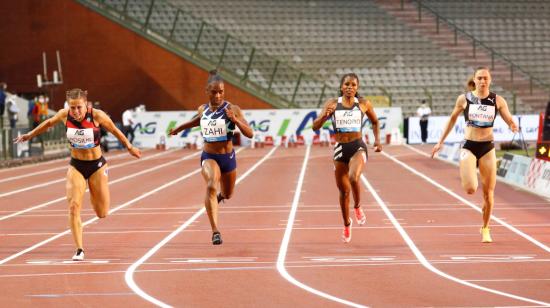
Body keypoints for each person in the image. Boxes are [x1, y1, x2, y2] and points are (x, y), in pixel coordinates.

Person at [14, 88, 141, 260]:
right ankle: (79, 249)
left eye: (79, 107)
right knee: (74, 206)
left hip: (96, 166)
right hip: (76, 166)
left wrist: (129, 147)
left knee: (102, 213)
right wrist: (30, 135)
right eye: (72, 108)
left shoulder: (97, 115)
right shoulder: (64, 115)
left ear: (86, 104)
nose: (76, 112)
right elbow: (48, 123)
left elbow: (115, 131)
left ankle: (93, 192)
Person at [431, 67, 518, 243]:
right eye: (480, 78)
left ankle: (485, 228)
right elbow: (452, 119)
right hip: (469, 146)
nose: (483, 81)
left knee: (489, 193)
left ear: (490, 80)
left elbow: (508, 117)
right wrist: (440, 141)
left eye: (486, 78)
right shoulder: (464, 99)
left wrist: (512, 124)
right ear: (474, 80)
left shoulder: (497, 100)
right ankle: (471, 175)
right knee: (471, 188)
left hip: (487, 147)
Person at [169, 70, 253, 245]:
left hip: (227, 157)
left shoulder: (232, 108)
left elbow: (250, 133)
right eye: (214, 92)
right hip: (209, 156)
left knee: (228, 194)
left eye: (221, 91)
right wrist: (179, 128)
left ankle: (219, 197)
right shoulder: (203, 109)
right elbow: (196, 121)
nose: (218, 95)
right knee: (210, 185)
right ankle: (215, 230)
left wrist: (235, 120)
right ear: (207, 91)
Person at [312, 73, 382, 243]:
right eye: (347, 84)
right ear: (341, 87)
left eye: (353, 85)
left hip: (357, 146)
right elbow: (315, 127)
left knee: (353, 177)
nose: (350, 87)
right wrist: (324, 117)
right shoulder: (332, 104)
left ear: (357, 88)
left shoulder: (363, 104)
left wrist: (377, 140)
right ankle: (346, 224)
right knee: (343, 192)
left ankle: (358, 207)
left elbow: (375, 122)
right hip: (340, 149)